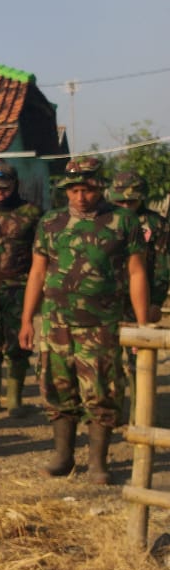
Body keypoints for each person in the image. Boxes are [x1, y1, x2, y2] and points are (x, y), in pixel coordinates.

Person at [19, 158, 150, 483]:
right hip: (56, 324)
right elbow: (37, 272)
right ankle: (63, 456)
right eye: (75, 190)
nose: (81, 197)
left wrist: (142, 324)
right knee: (57, 388)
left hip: (101, 326)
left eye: (88, 189)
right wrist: (26, 321)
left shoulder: (122, 221)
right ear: (66, 191)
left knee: (102, 390)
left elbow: (136, 273)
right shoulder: (51, 222)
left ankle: (97, 463)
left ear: (100, 187)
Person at [0, 163, 42, 417]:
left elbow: (41, 255)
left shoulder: (32, 213)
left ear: (15, 185)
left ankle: (15, 399)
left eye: (4, 188)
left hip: (20, 286)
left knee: (17, 345)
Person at [107, 170, 169, 424]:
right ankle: (112, 411)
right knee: (108, 357)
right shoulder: (105, 220)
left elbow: (163, 267)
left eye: (130, 202)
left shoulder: (156, 225)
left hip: (140, 301)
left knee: (138, 358)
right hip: (108, 300)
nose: (124, 206)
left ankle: (139, 414)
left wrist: (156, 301)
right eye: (119, 202)